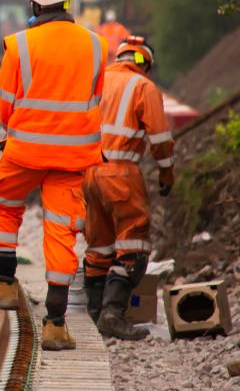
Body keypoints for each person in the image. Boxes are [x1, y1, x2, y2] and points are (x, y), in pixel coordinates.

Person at [0, 0, 108, 351]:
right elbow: (97, 99)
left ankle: (5, 283)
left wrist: (19, 128)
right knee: (62, 228)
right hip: (75, 155)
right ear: (68, 1)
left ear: (33, 4)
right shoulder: (96, 45)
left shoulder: (19, 45)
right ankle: (56, 323)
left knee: (3, 197)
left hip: (27, 152)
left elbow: (4, 104)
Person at [83, 36, 174, 340]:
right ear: (145, 62)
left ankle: (95, 314)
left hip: (87, 171)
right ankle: (111, 316)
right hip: (120, 172)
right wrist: (167, 175)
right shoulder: (143, 87)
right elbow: (160, 139)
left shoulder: (96, 81)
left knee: (99, 245)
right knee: (133, 244)